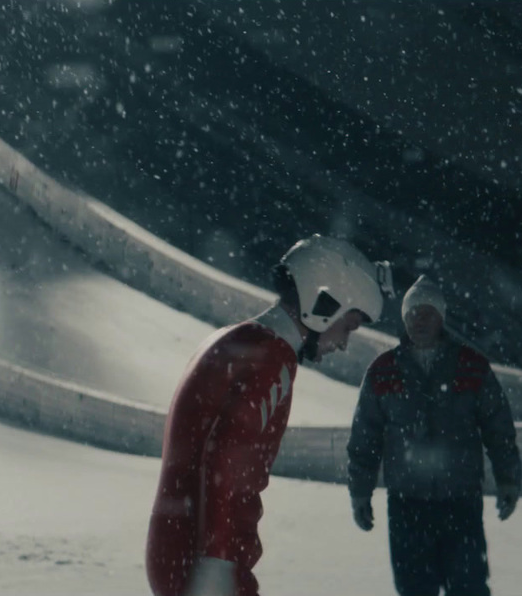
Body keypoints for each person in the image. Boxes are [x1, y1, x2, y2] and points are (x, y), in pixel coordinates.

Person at [148, 235, 394, 596]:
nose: (343, 343)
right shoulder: (271, 359)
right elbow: (227, 465)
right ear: (324, 303)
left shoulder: (239, 339)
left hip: (183, 548)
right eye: (349, 326)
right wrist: (217, 568)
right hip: (203, 564)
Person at [347, 275, 522, 596]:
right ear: (403, 318)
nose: (419, 320)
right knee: (414, 589)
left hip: (461, 502)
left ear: (441, 317)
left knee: (468, 587)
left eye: (427, 312)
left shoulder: (472, 367)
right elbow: (365, 436)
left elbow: (499, 428)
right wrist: (360, 490)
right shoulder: (383, 370)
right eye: (413, 313)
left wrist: (508, 479)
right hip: (406, 505)